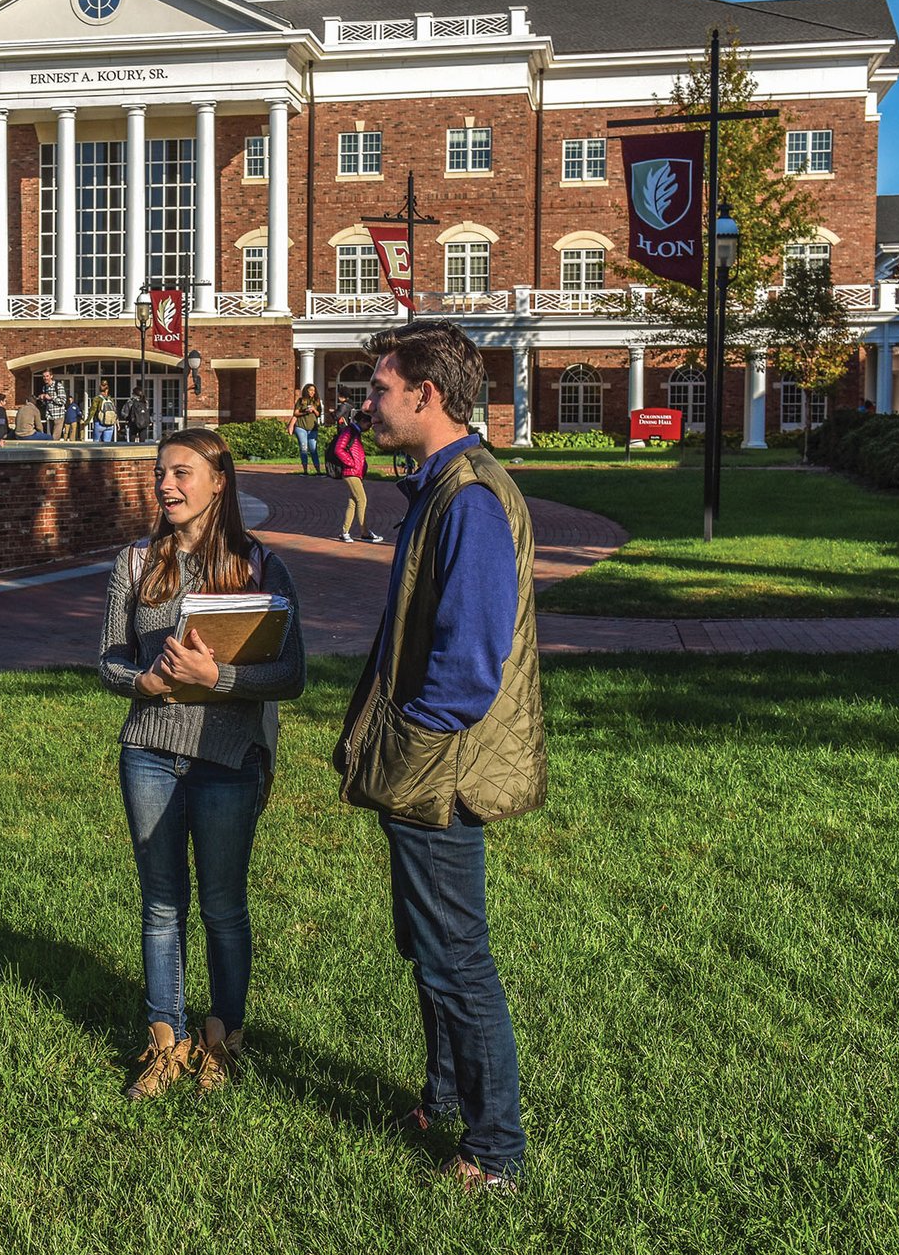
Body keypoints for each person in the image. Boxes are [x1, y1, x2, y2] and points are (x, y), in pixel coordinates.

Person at [335, 320, 546, 1194]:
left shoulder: (469, 497)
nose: (367, 403)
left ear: (427, 395)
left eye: (380, 389)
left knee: (458, 957)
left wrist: (408, 740)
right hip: (426, 763)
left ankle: (494, 1149)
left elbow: (469, 663)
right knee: (429, 947)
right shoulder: (437, 487)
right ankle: (443, 1095)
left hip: (443, 770)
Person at [99, 428, 306, 1100]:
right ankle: (166, 1039)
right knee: (161, 904)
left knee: (222, 906)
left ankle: (224, 1037)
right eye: (160, 473)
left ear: (220, 481)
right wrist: (144, 684)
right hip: (150, 753)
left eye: (182, 473)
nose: (167, 485)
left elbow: (292, 673)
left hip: (227, 758)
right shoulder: (135, 561)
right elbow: (109, 659)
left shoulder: (260, 565)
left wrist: (217, 677)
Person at [335, 411, 384, 545]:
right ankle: (365, 532)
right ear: (362, 421)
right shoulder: (349, 431)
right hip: (351, 472)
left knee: (353, 502)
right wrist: (351, 463)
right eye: (368, 424)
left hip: (354, 472)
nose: (369, 428)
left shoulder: (355, 432)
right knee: (362, 499)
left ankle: (345, 532)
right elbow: (339, 449)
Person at [288, 383, 324, 475]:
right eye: (310, 390)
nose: (312, 392)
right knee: (303, 448)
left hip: (313, 428)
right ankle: (305, 471)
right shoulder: (301, 401)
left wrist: (314, 409)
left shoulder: (317, 401)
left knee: (313, 449)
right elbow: (295, 413)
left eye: (313, 390)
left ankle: (318, 471)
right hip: (301, 427)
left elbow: (319, 414)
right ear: (306, 391)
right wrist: (304, 412)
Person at [38, 370, 66, 437]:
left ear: (51, 376)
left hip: (58, 415)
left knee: (55, 438)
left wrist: (51, 398)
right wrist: (42, 398)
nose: (45, 378)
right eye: (44, 376)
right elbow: (46, 403)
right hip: (49, 416)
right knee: (49, 437)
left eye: (47, 376)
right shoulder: (45, 387)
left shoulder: (58, 386)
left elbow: (63, 401)